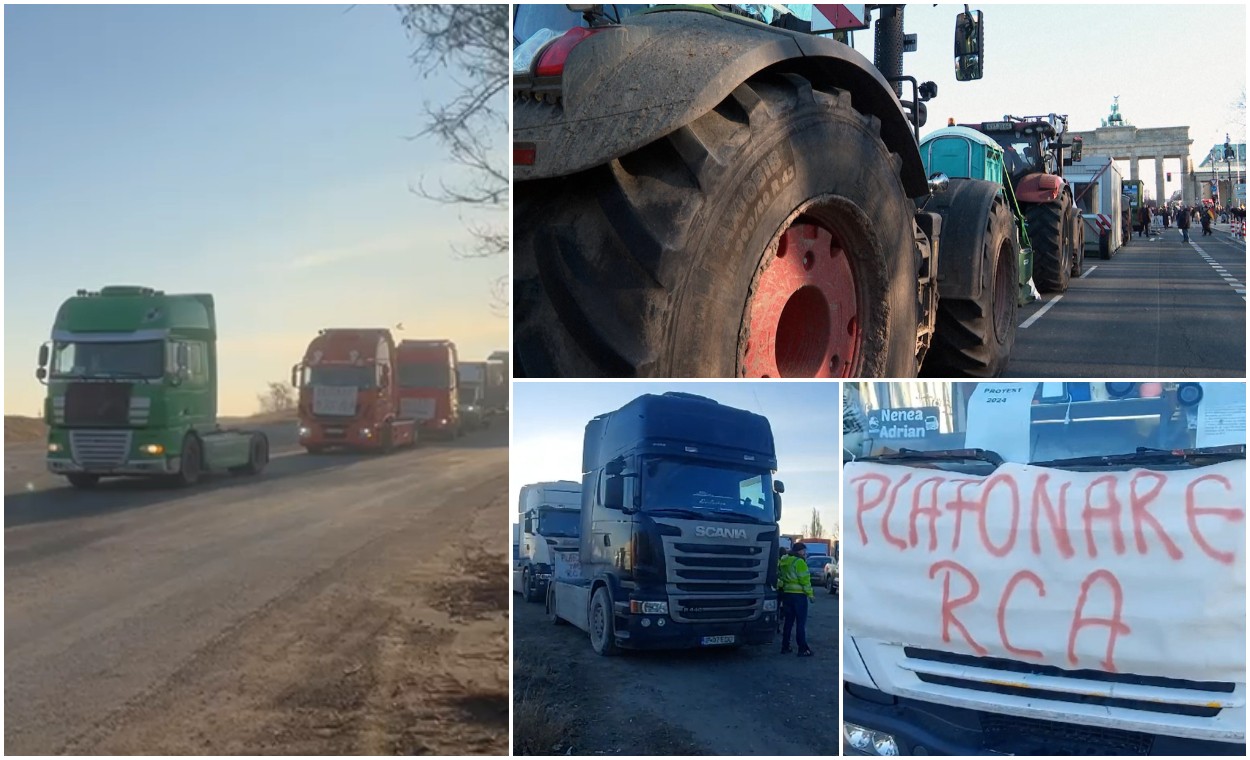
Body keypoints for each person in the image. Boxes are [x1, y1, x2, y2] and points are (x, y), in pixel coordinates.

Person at [778, 542, 815, 656]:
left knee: (788, 622)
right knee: (800, 623)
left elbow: (780, 577)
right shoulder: (799, 562)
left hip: (787, 594)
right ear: (799, 551)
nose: (805, 553)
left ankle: (785, 646)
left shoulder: (784, 562)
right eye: (804, 551)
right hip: (799, 596)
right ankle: (802, 648)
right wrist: (810, 595)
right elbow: (804, 580)